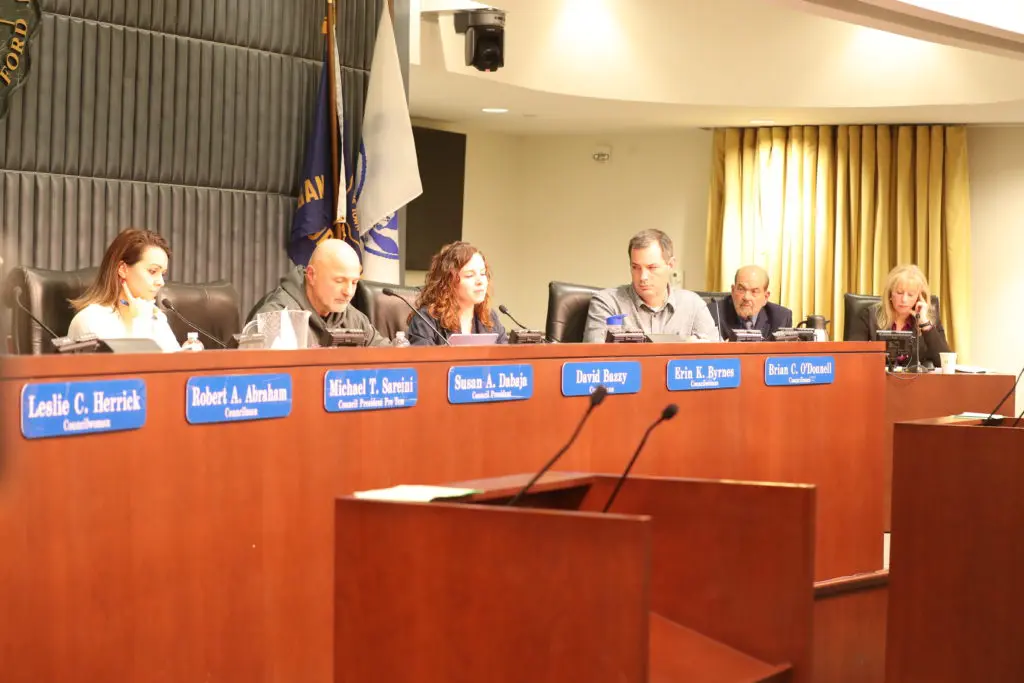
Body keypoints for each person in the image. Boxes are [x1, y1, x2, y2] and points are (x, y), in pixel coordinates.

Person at [583, 229, 718, 343]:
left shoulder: (693, 304)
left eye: (652, 267)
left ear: (670, 265)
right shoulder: (607, 303)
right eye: (636, 267)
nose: (643, 277)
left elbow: (720, 358)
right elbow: (595, 361)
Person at [251, 239, 388, 347]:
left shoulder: (354, 319)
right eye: (339, 281)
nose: (348, 292)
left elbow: (391, 360)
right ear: (311, 275)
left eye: (354, 282)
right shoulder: (275, 316)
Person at [68, 228, 181, 352]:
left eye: (163, 274)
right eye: (152, 271)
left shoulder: (155, 317)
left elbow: (177, 365)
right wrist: (141, 321)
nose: (161, 282)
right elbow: (135, 367)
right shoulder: (91, 319)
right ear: (122, 269)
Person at [845, 264, 950, 366]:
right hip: (877, 380)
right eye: (899, 293)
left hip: (915, 382)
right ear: (890, 294)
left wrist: (925, 325)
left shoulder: (930, 321)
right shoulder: (869, 316)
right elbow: (852, 358)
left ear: (919, 297)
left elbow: (945, 363)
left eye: (910, 295)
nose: (904, 300)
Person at [406, 241, 507, 346]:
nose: (480, 281)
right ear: (449, 282)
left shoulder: (489, 317)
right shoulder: (426, 319)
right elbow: (423, 361)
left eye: (482, 273)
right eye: (469, 275)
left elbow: (507, 358)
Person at [708, 265, 793, 340]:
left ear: (765, 297)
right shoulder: (712, 314)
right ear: (733, 291)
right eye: (741, 289)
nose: (746, 297)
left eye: (754, 291)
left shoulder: (781, 318)